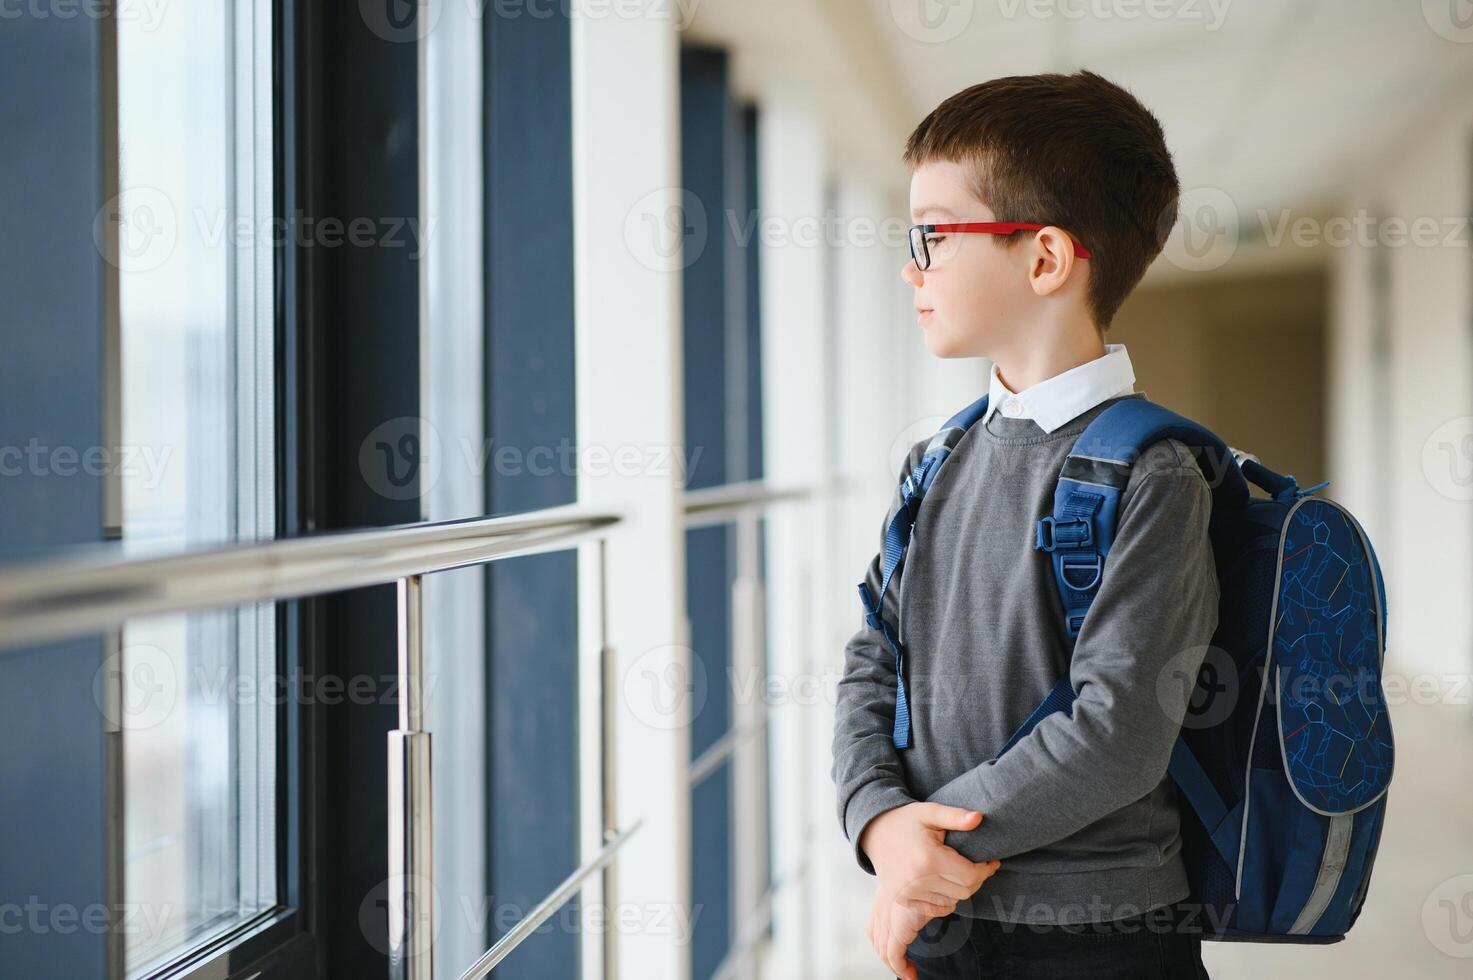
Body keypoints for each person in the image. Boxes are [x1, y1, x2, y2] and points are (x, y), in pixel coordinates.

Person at [830, 69, 1218, 979]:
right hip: (943, 906)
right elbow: (870, 660)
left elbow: (1117, 731)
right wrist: (880, 824)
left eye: (931, 234)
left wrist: (924, 861)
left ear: (1044, 258)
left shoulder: (1151, 472)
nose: (909, 263)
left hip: (1099, 933)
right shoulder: (935, 461)